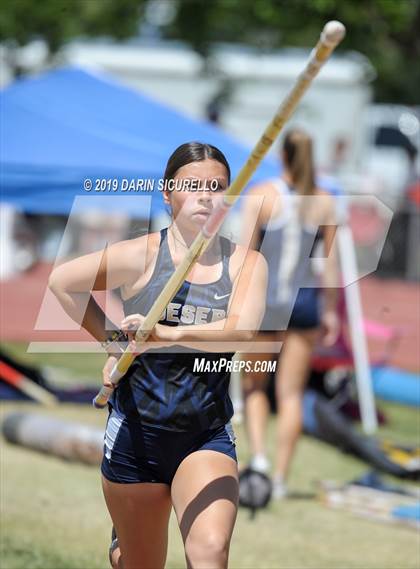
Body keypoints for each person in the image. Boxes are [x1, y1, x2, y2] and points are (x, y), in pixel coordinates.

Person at [49, 141, 267, 569]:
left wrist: (165, 334)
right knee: (140, 562)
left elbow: (242, 330)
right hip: (137, 434)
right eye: (194, 185)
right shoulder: (142, 254)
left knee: (209, 553)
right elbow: (62, 282)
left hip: (204, 434)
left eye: (219, 187)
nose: (207, 195)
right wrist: (114, 343)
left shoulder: (247, 263)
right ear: (167, 193)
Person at [240, 128, 339, 498]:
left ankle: (261, 460)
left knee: (254, 385)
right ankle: (279, 479)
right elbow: (329, 265)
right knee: (291, 394)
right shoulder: (325, 200)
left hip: (266, 303)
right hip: (304, 304)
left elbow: (245, 256)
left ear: (281, 155)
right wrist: (330, 311)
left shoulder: (261, 195)